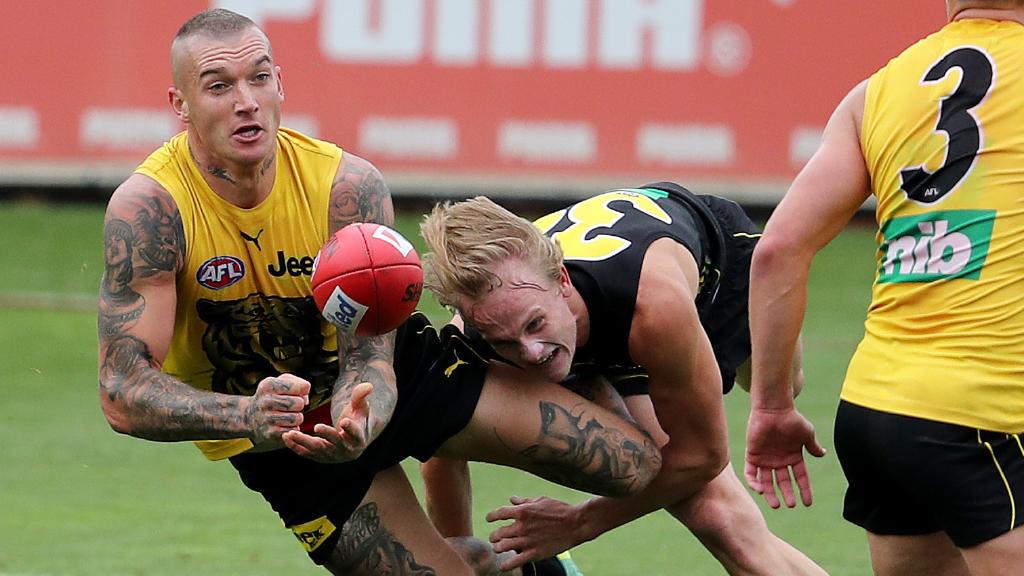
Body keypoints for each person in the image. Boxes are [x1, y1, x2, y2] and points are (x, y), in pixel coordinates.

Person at [95, 9, 663, 576]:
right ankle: (500, 565)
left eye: (260, 77)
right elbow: (121, 391)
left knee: (631, 465)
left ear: (280, 84)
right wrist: (249, 415)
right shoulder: (151, 211)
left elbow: (368, 356)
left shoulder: (345, 186)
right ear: (181, 104)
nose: (246, 101)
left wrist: (361, 414)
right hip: (281, 445)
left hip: (389, 378)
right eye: (218, 86)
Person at [745, 1, 1024, 574]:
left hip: (877, 413)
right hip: (985, 413)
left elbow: (775, 251)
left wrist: (771, 405)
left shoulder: (875, 93)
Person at [419, 184, 825, 575]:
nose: (531, 353)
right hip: (597, 330)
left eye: (534, 323)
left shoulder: (654, 306)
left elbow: (703, 456)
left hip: (715, 272)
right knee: (716, 516)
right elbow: (440, 448)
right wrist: (461, 560)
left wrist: (579, 523)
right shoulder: (474, 333)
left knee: (784, 386)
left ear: (561, 281)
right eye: (503, 342)